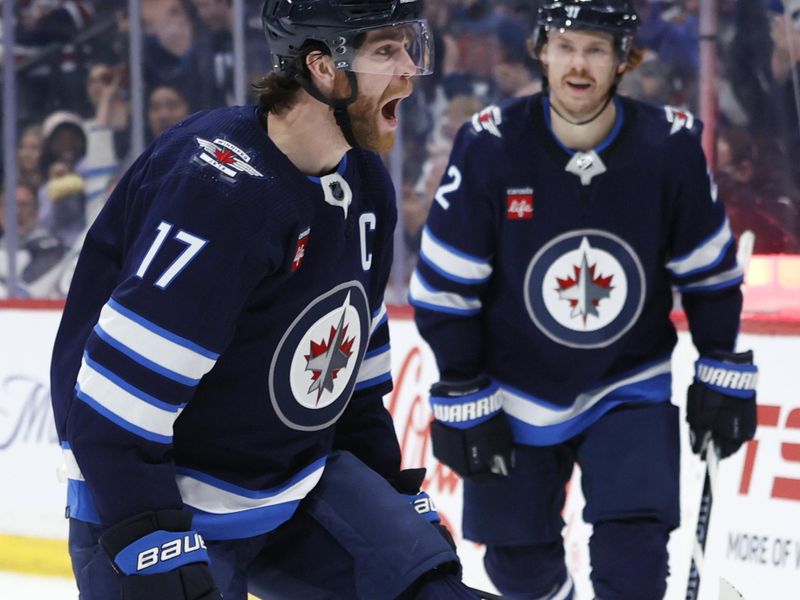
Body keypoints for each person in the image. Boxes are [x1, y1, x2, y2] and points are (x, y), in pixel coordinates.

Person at [50, 1, 481, 599]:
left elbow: (351, 385)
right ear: (322, 68)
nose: (410, 69)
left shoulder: (365, 182)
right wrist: (144, 532)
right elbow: (116, 410)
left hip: (296, 485)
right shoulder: (220, 192)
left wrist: (390, 490)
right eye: (386, 50)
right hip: (155, 495)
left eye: (409, 47)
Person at [410, 1, 759, 598]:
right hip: (513, 388)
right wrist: (462, 381)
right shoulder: (490, 146)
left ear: (624, 60)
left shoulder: (668, 146)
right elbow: (445, 284)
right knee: (517, 569)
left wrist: (719, 359)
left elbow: (707, 270)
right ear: (541, 51)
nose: (579, 63)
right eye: (567, 46)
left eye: (597, 49)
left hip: (629, 381)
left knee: (635, 565)